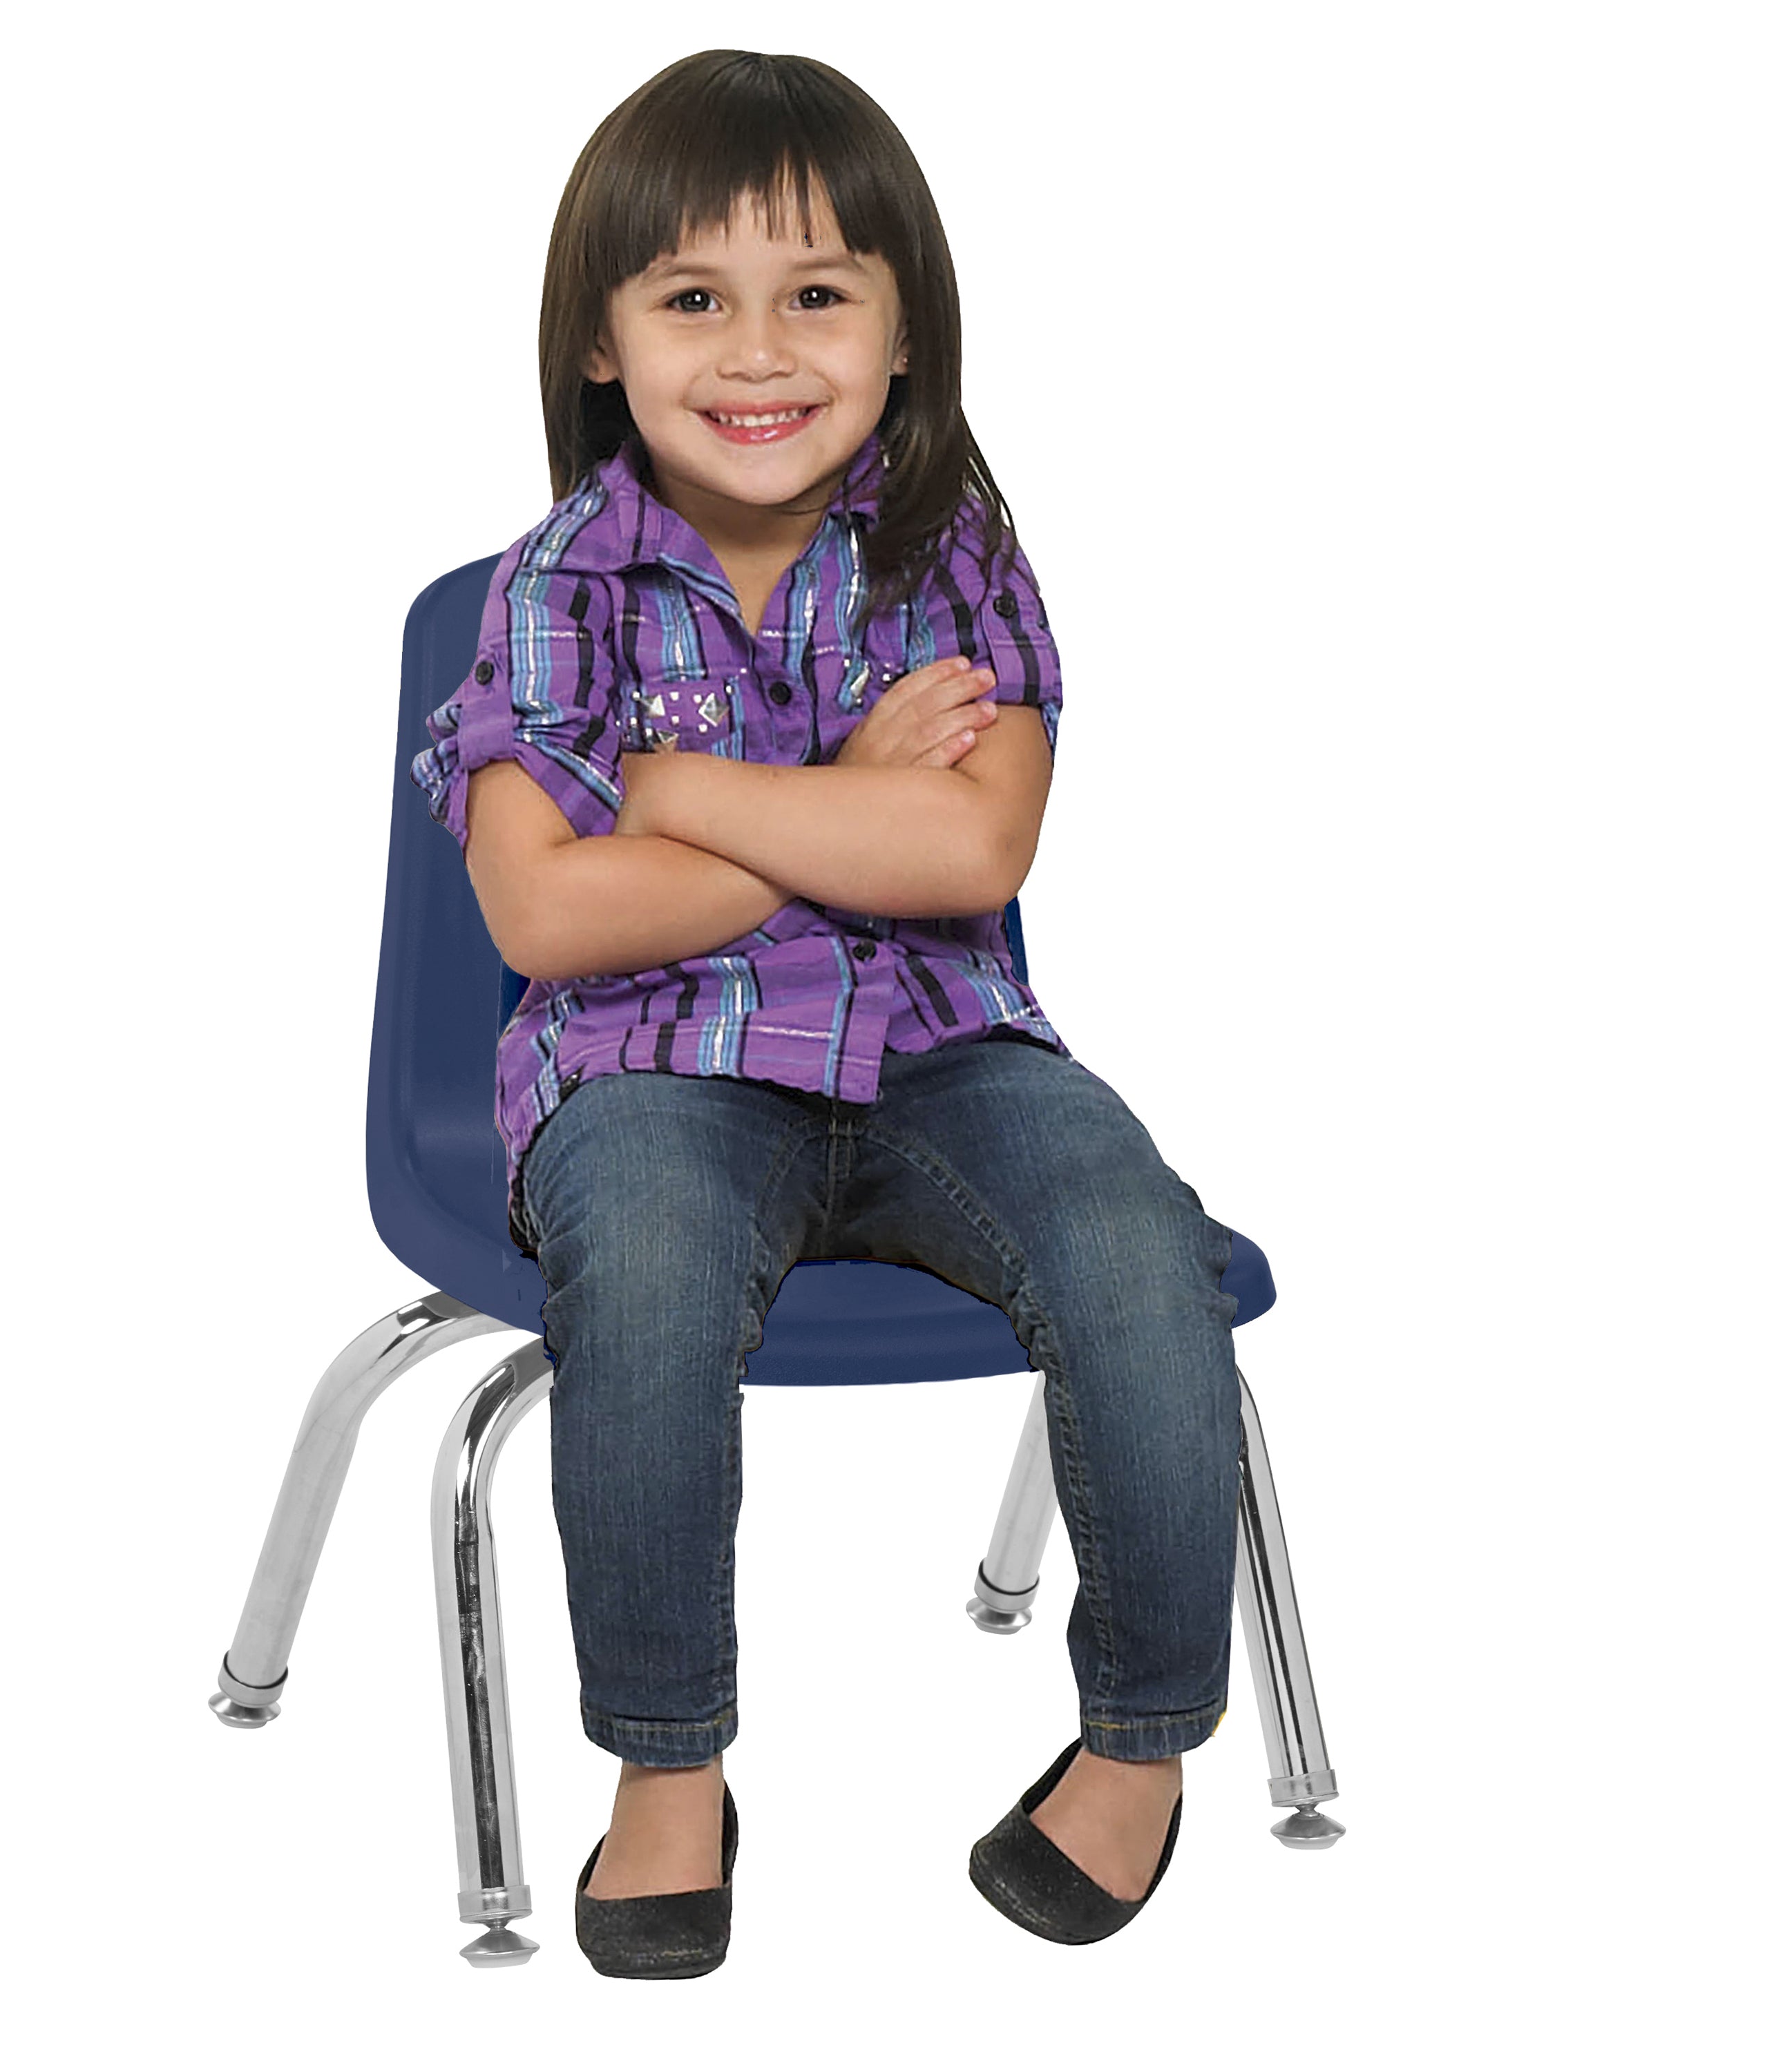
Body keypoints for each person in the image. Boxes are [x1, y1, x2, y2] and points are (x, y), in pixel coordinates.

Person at [411, 50, 1241, 1977]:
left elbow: (970, 856)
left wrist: (685, 794)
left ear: (899, 330)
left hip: (950, 1050)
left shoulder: (950, 553)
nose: (758, 348)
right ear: (602, 341)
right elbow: (549, 908)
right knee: (655, 1270)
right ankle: (669, 1767)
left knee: (1138, 1245)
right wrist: (839, 803)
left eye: (819, 292)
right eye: (692, 296)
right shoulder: (557, 591)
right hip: (651, 1070)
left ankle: (1139, 1747)